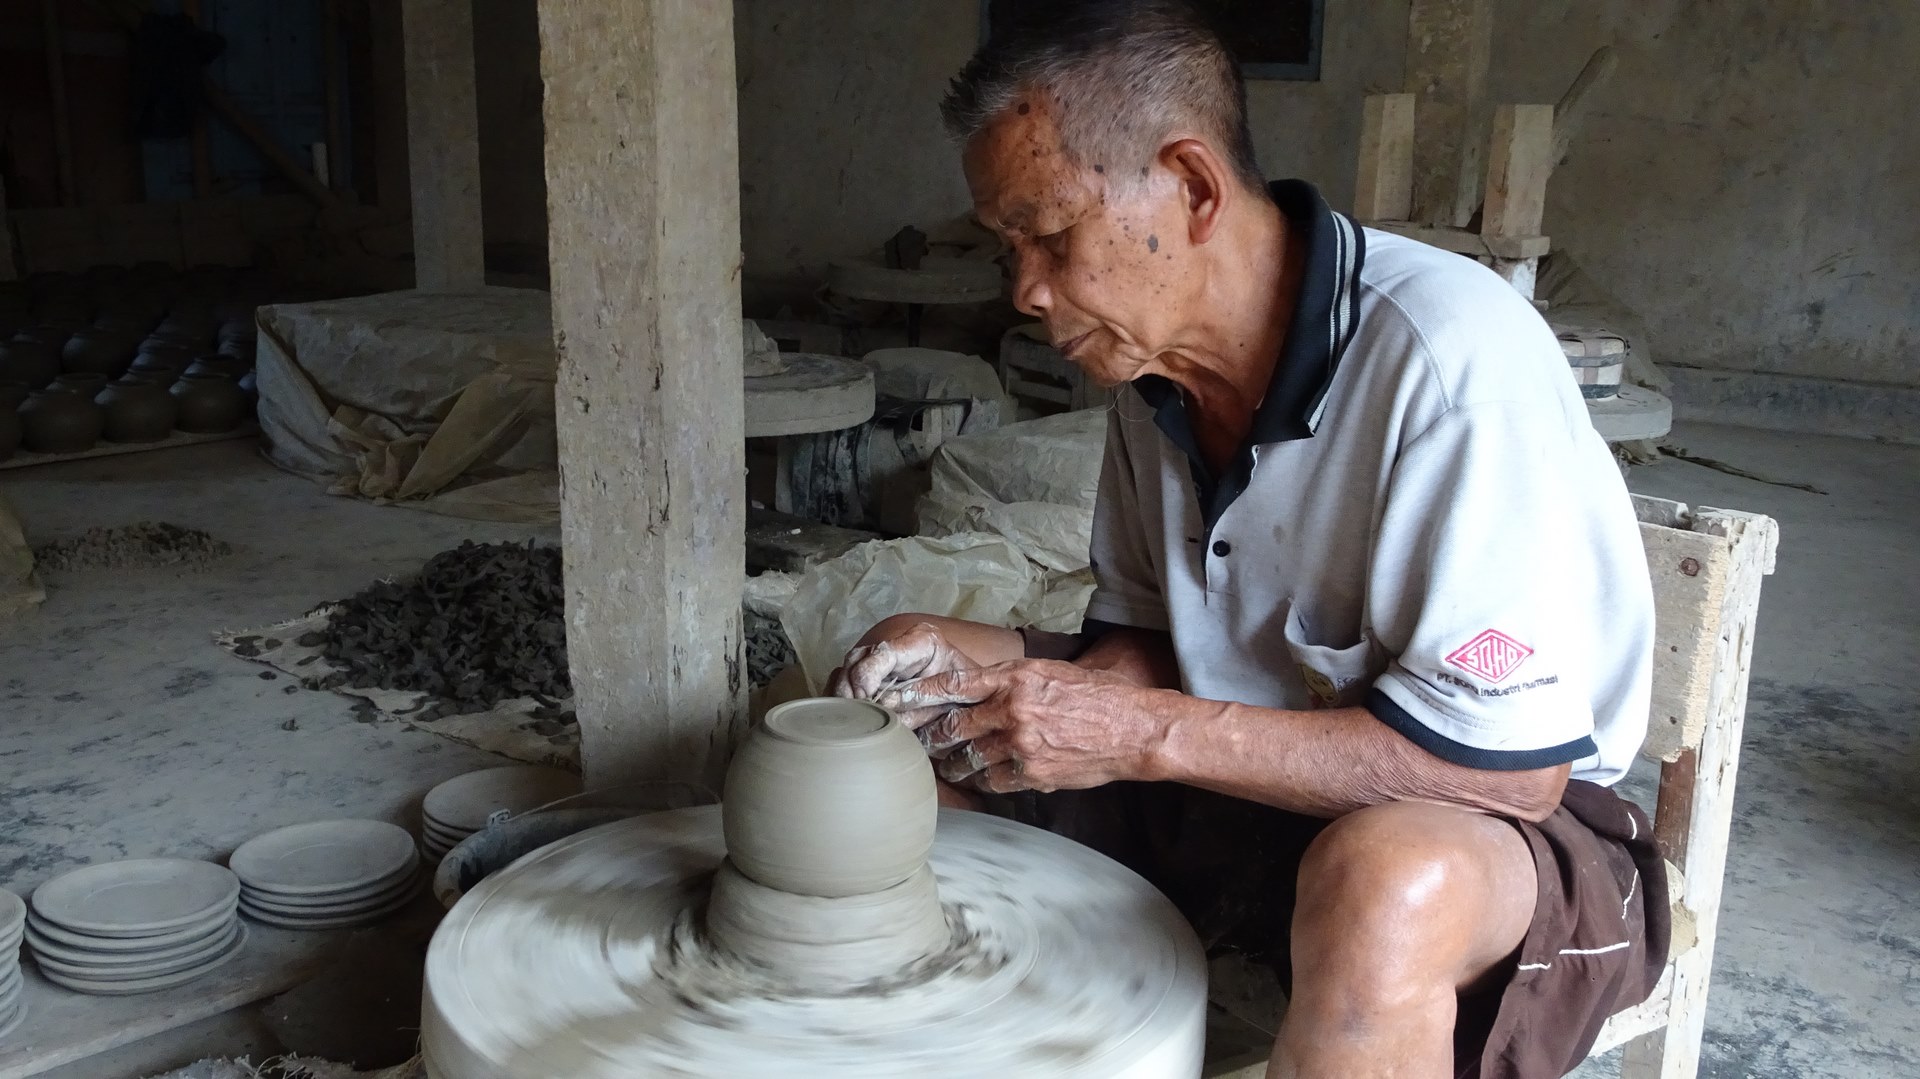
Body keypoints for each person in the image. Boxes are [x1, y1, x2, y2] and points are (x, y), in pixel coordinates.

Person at [831, 3, 1668, 1077]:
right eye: (1008, 247)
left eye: (1050, 234)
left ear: (1191, 187)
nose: (1026, 289)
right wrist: (1061, 704)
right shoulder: (1149, 373)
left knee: (1381, 889)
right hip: (1241, 766)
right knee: (909, 716)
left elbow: (1509, 776)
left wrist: (1137, 732)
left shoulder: (1450, 363)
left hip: (1494, 828)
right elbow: (1142, 635)